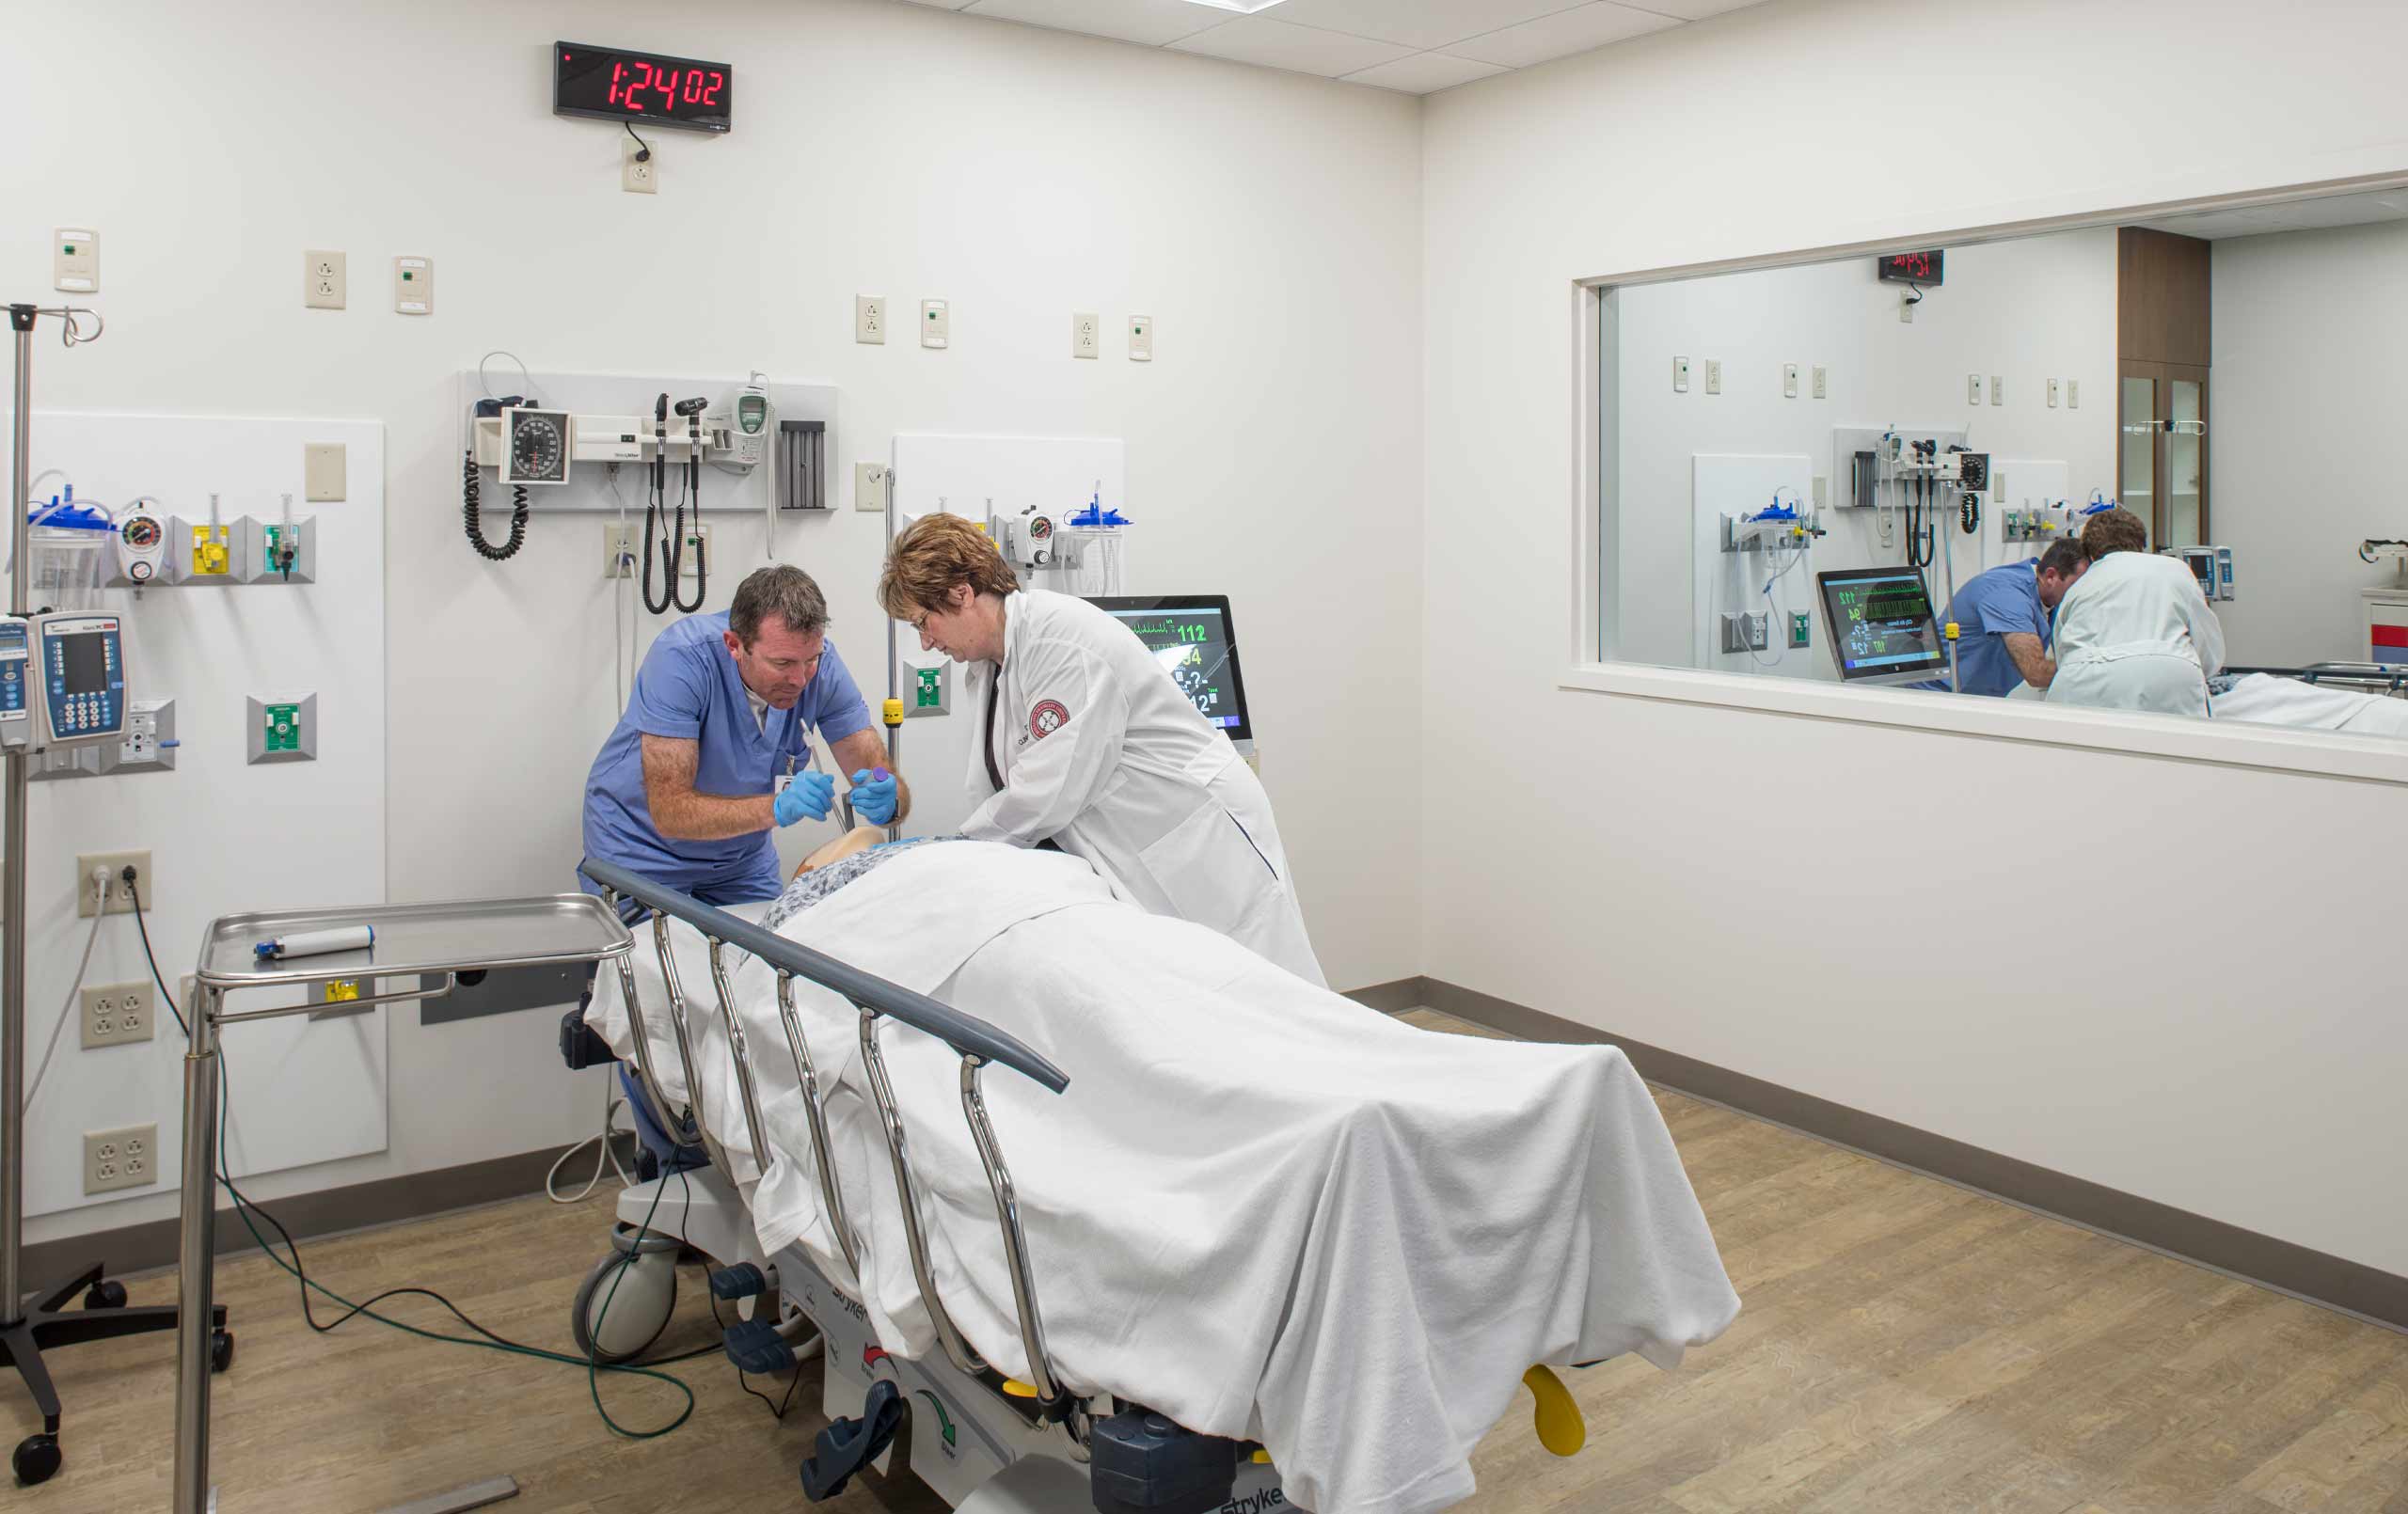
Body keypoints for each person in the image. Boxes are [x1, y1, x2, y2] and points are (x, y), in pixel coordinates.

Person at [877, 513, 1325, 986]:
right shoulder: (996, 663)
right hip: (1143, 838)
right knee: (1202, 993)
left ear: (961, 593)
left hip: (1200, 831)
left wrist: (957, 850)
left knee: (1272, 986)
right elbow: (1003, 782)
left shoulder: (1061, 642)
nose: (926, 641)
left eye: (923, 622)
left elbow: (1046, 791)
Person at [582, 563, 909, 1170]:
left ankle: (766, 1156)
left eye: (809, 661)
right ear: (736, 645)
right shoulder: (683, 662)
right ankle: (677, 1173)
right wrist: (776, 808)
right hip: (642, 854)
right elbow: (672, 811)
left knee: (765, 988)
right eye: (783, 664)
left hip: (740, 858)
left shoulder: (816, 667)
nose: (800, 678)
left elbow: (876, 766)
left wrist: (889, 794)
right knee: (664, 1000)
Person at [2046, 507, 2226, 717]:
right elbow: (2209, 650)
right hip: (2168, 675)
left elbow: (2062, 654)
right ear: (2142, 544)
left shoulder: (2080, 587)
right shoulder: (2176, 570)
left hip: (2080, 682)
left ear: (2090, 554)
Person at [1915, 539, 2090, 696]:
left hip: (1975, 697)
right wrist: (2095, 671)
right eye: (2077, 584)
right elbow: (2037, 672)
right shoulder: (2008, 596)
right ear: (2051, 576)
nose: (2084, 592)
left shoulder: (2048, 598)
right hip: (1935, 695)